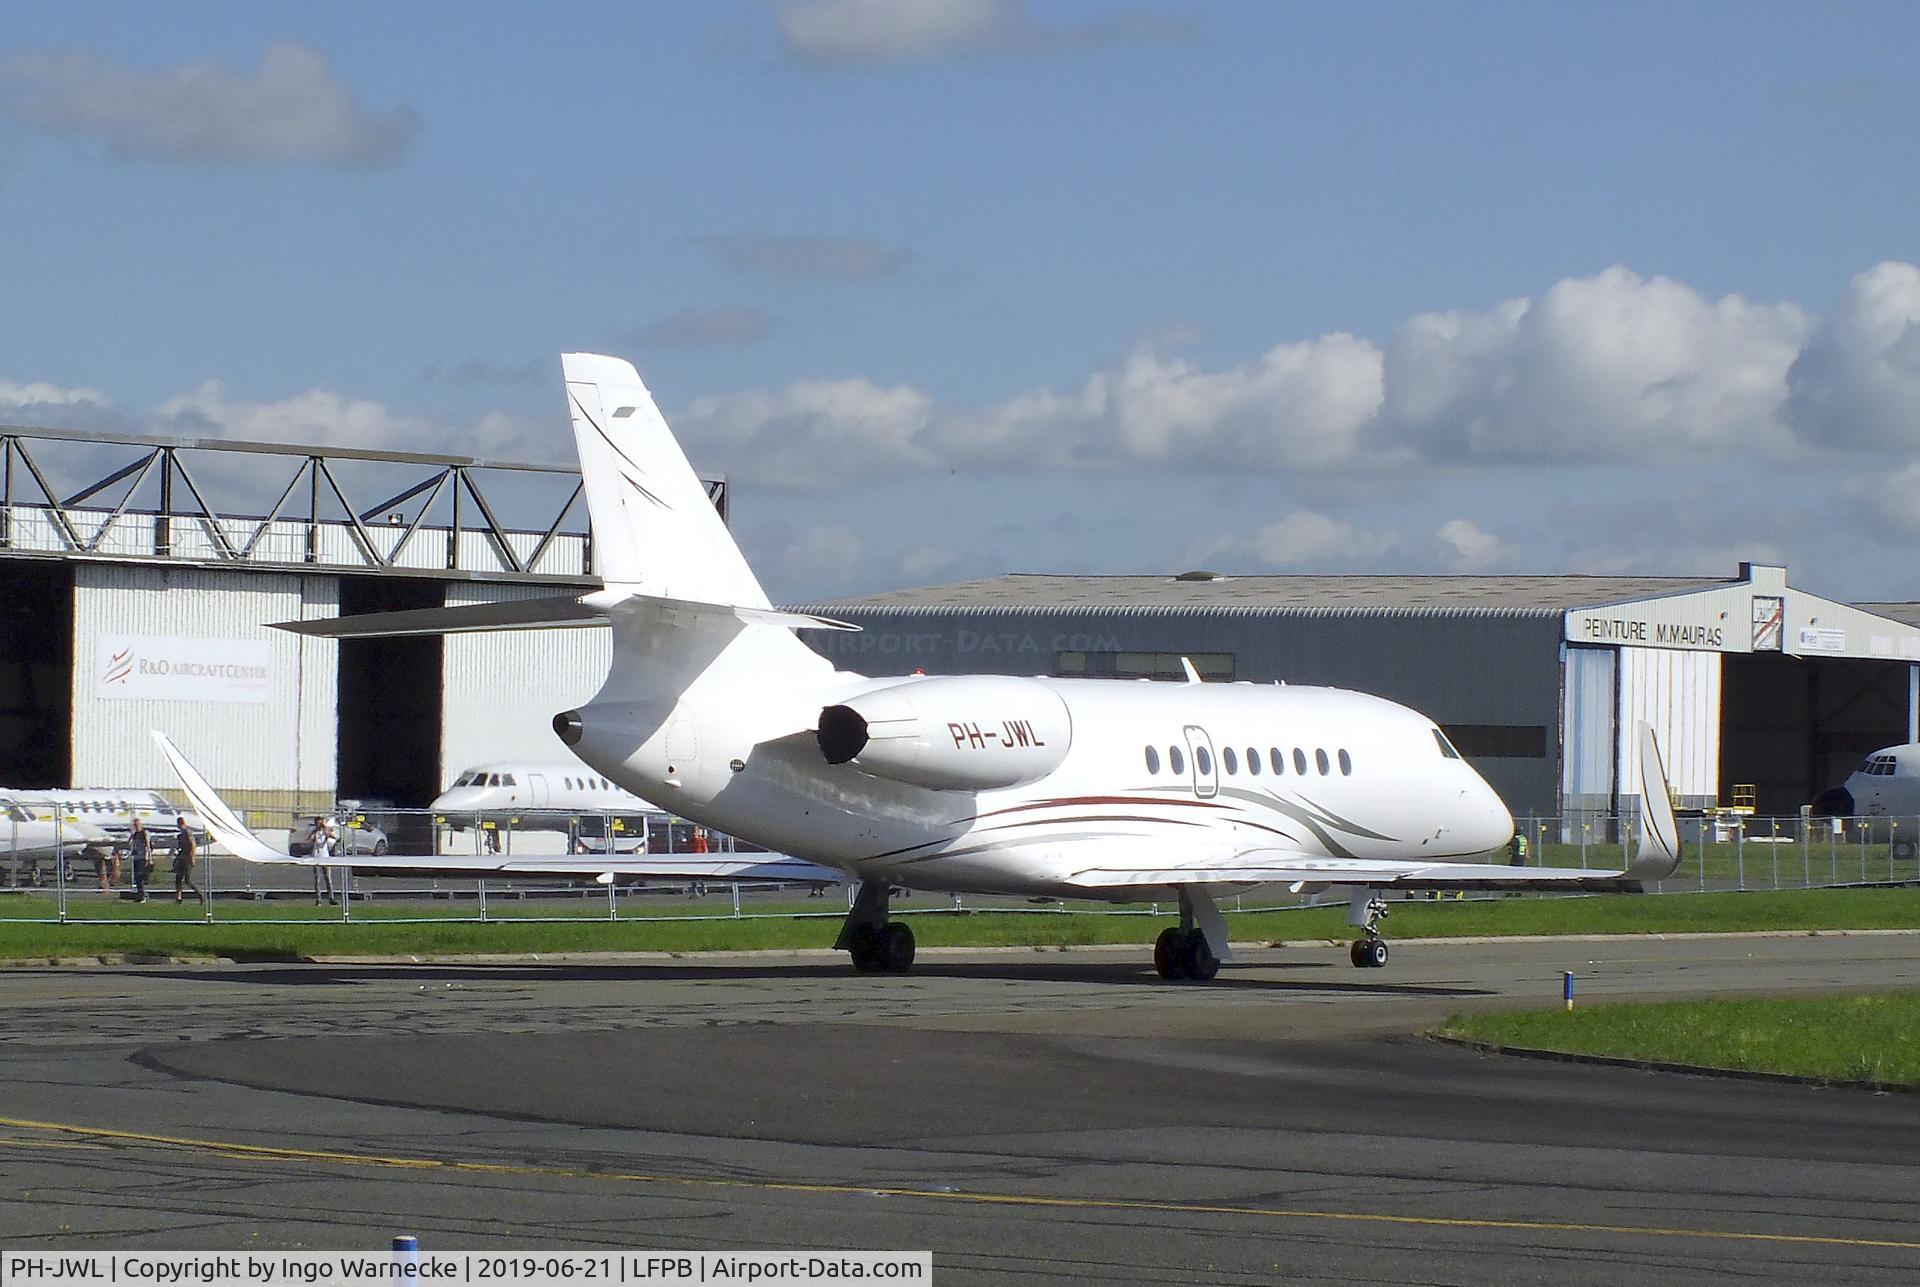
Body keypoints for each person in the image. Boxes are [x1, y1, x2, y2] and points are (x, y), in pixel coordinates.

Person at [171, 815, 201, 904]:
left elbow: (193, 845)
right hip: (181, 858)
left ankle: (200, 894)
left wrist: (192, 857)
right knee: (178, 878)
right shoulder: (180, 835)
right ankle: (178, 898)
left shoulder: (188, 833)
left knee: (187, 880)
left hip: (187, 858)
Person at [308, 815, 337, 904]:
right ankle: (318, 899)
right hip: (316, 856)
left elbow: (334, 836)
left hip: (325, 857)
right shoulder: (314, 832)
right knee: (317, 879)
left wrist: (325, 828)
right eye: (318, 822)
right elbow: (310, 840)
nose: (319, 824)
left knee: (328, 878)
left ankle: (331, 898)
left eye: (320, 822)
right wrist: (315, 835)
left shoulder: (325, 831)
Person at [127, 817, 152, 903]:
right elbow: (129, 843)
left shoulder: (144, 833)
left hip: (142, 857)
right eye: (135, 825)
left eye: (137, 825)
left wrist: (149, 859)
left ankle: (142, 896)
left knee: (140, 877)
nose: (136, 826)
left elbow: (148, 846)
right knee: (137, 877)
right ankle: (139, 895)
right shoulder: (135, 834)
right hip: (136, 857)